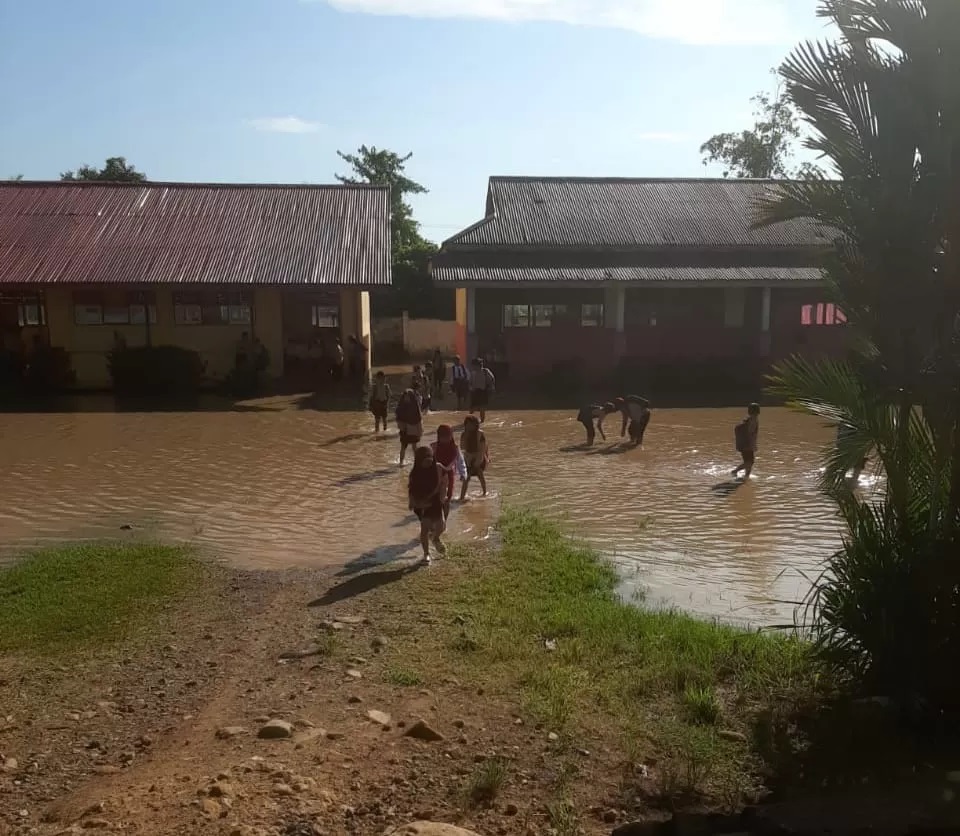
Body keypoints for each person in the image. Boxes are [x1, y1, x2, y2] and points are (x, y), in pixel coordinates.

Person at [408, 445, 450, 563]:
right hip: (422, 501)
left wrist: (443, 494)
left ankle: (435, 538)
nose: (428, 464)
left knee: (441, 526)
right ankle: (426, 554)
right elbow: (411, 488)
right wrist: (412, 502)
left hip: (436, 499)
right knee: (425, 528)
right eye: (425, 462)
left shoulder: (438, 467)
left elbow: (446, 478)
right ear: (418, 461)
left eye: (429, 461)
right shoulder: (414, 473)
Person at [431, 424, 466, 513]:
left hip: (449, 472)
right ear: (439, 436)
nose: (445, 439)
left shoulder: (455, 448)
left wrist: (463, 474)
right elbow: (428, 461)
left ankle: (444, 519)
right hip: (436, 472)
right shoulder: (434, 446)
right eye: (443, 437)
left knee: (448, 496)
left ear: (451, 436)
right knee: (436, 495)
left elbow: (460, 461)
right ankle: (436, 512)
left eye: (447, 437)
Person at [459, 415, 489, 500]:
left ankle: (484, 493)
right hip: (468, 457)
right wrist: (468, 460)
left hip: (480, 457)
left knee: (479, 473)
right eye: (467, 424)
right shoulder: (463, 434)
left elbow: (482, 449)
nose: (469, 426)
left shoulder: (480, 434)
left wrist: (477, 462)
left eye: (471, 424)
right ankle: (461, 497)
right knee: (466, 477)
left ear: (476, 425)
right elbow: (463, 448)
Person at [732, 402, 761, 480]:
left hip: (743, 444)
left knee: (748, 462)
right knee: (750, 462)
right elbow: (751, 432)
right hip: (748, 444)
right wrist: (752, 444)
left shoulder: (747, 419)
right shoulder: (754, 420)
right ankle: (735, 471)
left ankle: (746, 477)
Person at [395, 388, 423, 465]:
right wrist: (401, 426)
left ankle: (417, 462)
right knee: (403, 446)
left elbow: (419, 420)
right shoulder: (401, 407)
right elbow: (398, 418)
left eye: (408, 396)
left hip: (413, 430)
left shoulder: (415, 406)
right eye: (405, 396)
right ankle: (401, 463)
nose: (406, 398)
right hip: (404, 430)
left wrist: (420, 431)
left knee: (414, 447)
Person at [469, 357, 496, 423]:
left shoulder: (486, 371)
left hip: (483, 391)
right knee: (472, 408)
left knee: (482, 408)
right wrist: (470, 388)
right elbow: (470, 382)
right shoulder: (473, 373)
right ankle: (468, 421)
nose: (473, 367)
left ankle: (482, 422)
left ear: (477, 365)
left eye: (474, 365)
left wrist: (492, 388)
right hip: (475, 392)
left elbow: (492, 379)